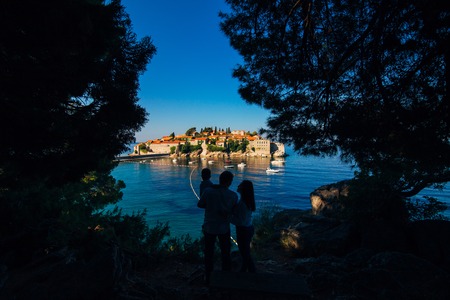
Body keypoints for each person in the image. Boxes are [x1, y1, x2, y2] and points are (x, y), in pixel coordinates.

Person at [197, 170, 238, 284]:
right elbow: (234, 212)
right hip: (224, 227)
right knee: (225, 252)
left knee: (208, 252)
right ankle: (226, 276)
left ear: (219, 180)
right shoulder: (233, 196)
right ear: (229, 182)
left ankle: (209, 277)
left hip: (209, 226)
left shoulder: (208, 191)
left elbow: (200, 204)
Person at [231, 180, 256, 272]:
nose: (237, 186)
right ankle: (246, 270)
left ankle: (251, 272)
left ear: (243, 189)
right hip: (248, 228)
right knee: (245, 252)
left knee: (244, 253)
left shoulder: (242, 203)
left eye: (240, 185)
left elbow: (240, 221)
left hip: (243, 230)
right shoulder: (245, 201)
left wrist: (228, 218)